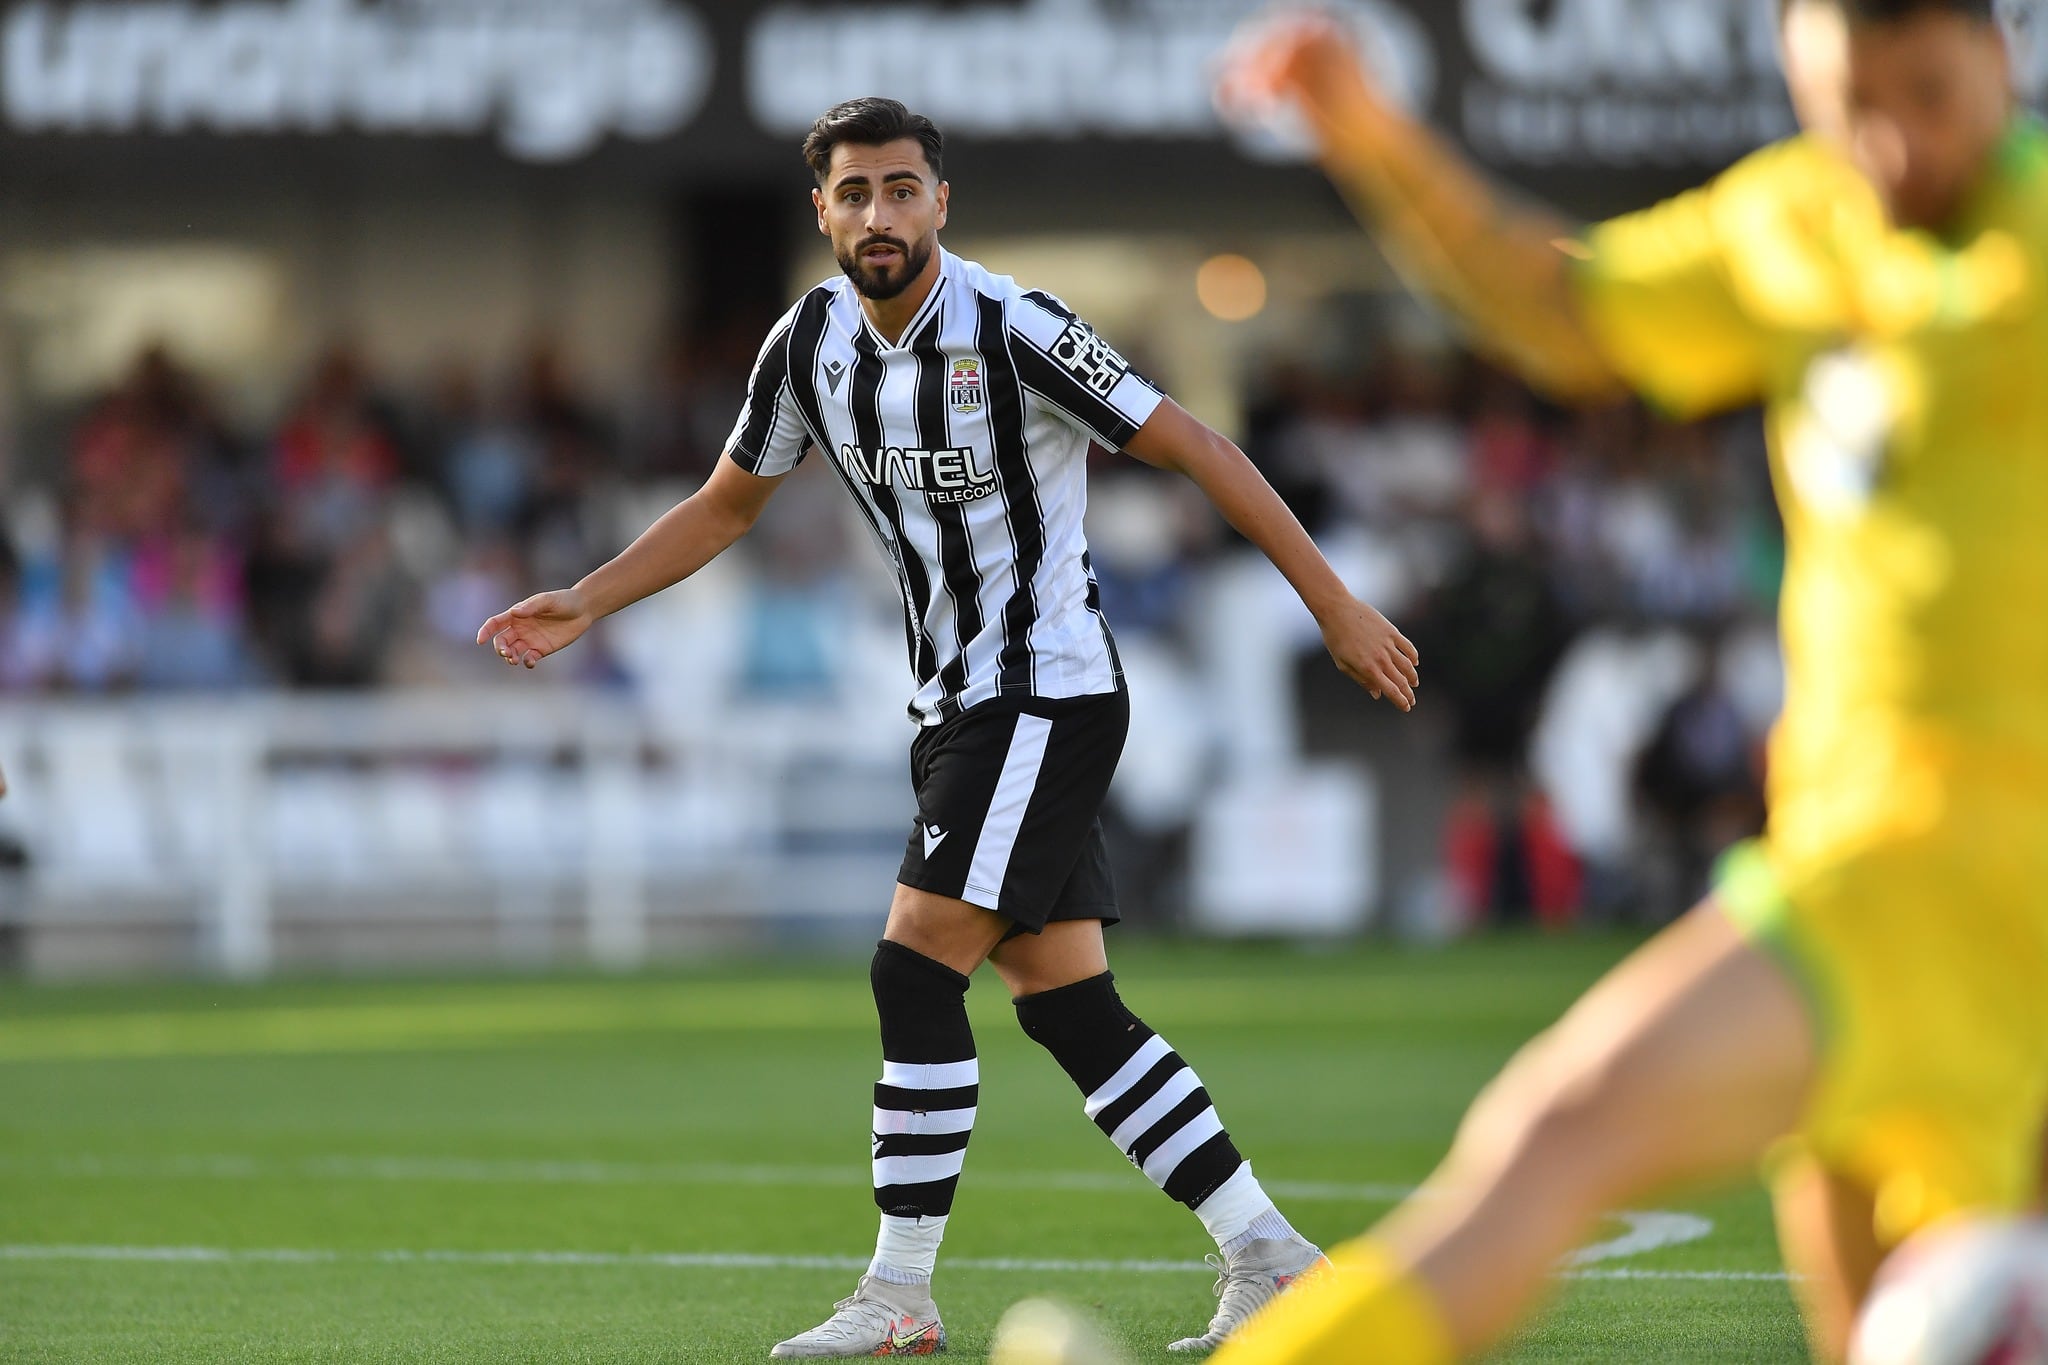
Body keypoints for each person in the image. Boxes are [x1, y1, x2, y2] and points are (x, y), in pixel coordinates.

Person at [476, 96, 1421, 1359]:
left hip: (1045, 688)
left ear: (939, 202)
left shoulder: (1015, 327)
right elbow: (723, 505)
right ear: (820, 211)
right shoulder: (806, 341)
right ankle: (1271, 1254)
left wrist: (1333, 605)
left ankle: (897, 1295)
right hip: (952, 707)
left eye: (902, 188)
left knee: (912, 962)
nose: (879, 213)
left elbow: (1192, 445)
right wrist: (589, 599)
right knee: (1067, 1004)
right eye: (854, 192)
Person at [1189, 1, 2048, 1360]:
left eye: (1931, 95)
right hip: (1855, 853)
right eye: (1849, 100)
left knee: (1558, 1133)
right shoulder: (1797, 224)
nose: (1891, 144)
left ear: (2005, 54)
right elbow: (1559, 308)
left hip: (1952, 868)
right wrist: (1371, 137)